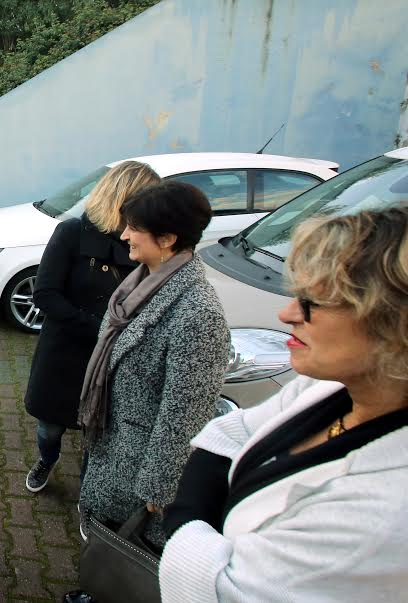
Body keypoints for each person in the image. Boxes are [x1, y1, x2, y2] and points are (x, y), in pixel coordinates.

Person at [159, 207, 408, 602]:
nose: (287, 313)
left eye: (313, 302)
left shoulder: (382, 515)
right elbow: (229, 431)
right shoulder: (331, 389)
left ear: (395, 324)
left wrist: (182, 521)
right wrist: (198, 519)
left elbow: (221, 589)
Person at [70, 181, 231, 600]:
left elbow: (185, 415)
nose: (123, 235)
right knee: (102, 538)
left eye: (133, 228)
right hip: (110, 444)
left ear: (168, 238)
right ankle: (97, 582)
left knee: (131, 556)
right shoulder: (141, 282)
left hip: (140, 473)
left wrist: (157, 491)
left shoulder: (198, 313)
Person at [24, 161, 160, 493]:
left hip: (114, 361)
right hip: (64, 353)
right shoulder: (72, 233)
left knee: (97, 438)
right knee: (50, 429)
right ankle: (47, 458)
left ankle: (89, 497)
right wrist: (100, 328)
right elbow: (45, 293)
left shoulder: (145, 244)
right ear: (123, 198)